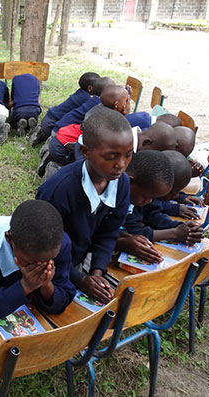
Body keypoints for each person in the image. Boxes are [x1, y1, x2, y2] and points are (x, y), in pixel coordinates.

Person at [36, 108, 133, 304]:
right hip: (48, 265)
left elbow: (109, 231)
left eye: (128, 155)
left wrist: (97, 272)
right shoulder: (58, 189)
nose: (121, 165)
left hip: (81, 259)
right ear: (85, 152)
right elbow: (40, 248)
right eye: (111, 156)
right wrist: (80, 280)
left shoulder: (120, 183)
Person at [0, 200, 75, 325]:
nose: (41, 266)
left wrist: (46, 285)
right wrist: (25, 286)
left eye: (49, 260)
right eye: (31, 262)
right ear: (9, 239)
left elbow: (64, 297)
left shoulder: (58, 243)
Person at [123, 150, 203, 247]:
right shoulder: (129, 200)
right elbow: (133, 231)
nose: (150, 201)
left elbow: (153, 213)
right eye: (174, 191)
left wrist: (178, 227)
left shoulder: (141, 195)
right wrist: (174, 232)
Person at [115, 150, 175, 263]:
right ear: (130, 181)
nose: (149, 201)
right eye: (147, 196)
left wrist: (125, 236)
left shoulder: (130, 200)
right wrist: (120, 243)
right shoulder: (108, 199)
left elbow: (112, 229)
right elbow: (92, 235)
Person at [38, 71, 99, 139]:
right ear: (90, 88)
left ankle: (41, 131)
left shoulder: (80, 93)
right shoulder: (86, 98)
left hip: (49, 117)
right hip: (52, 123)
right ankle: (45, 135)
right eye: (99, 86)